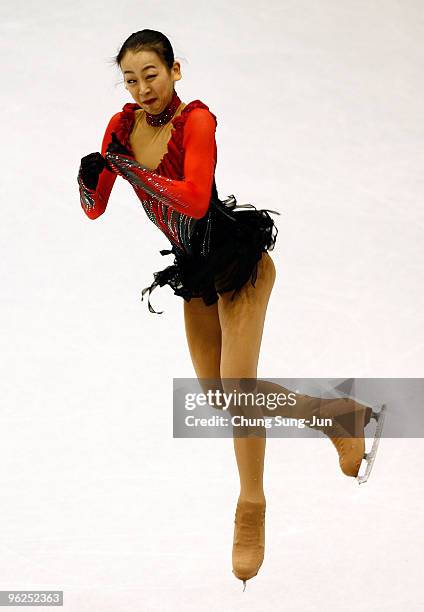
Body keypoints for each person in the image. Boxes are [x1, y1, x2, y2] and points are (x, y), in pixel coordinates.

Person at [77, 29, 385, 591]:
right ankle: (340, 415)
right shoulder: (120, 129)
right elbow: (94, 210)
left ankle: (251, 504)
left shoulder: (198, 121)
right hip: (194, 270)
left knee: (237, 387)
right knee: (221, 393)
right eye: (130, 79)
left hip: (236, 260)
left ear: (175, 71)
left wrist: (127, 170)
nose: (142, 87)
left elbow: (194, 197)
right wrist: (90, 178)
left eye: (152, 74)